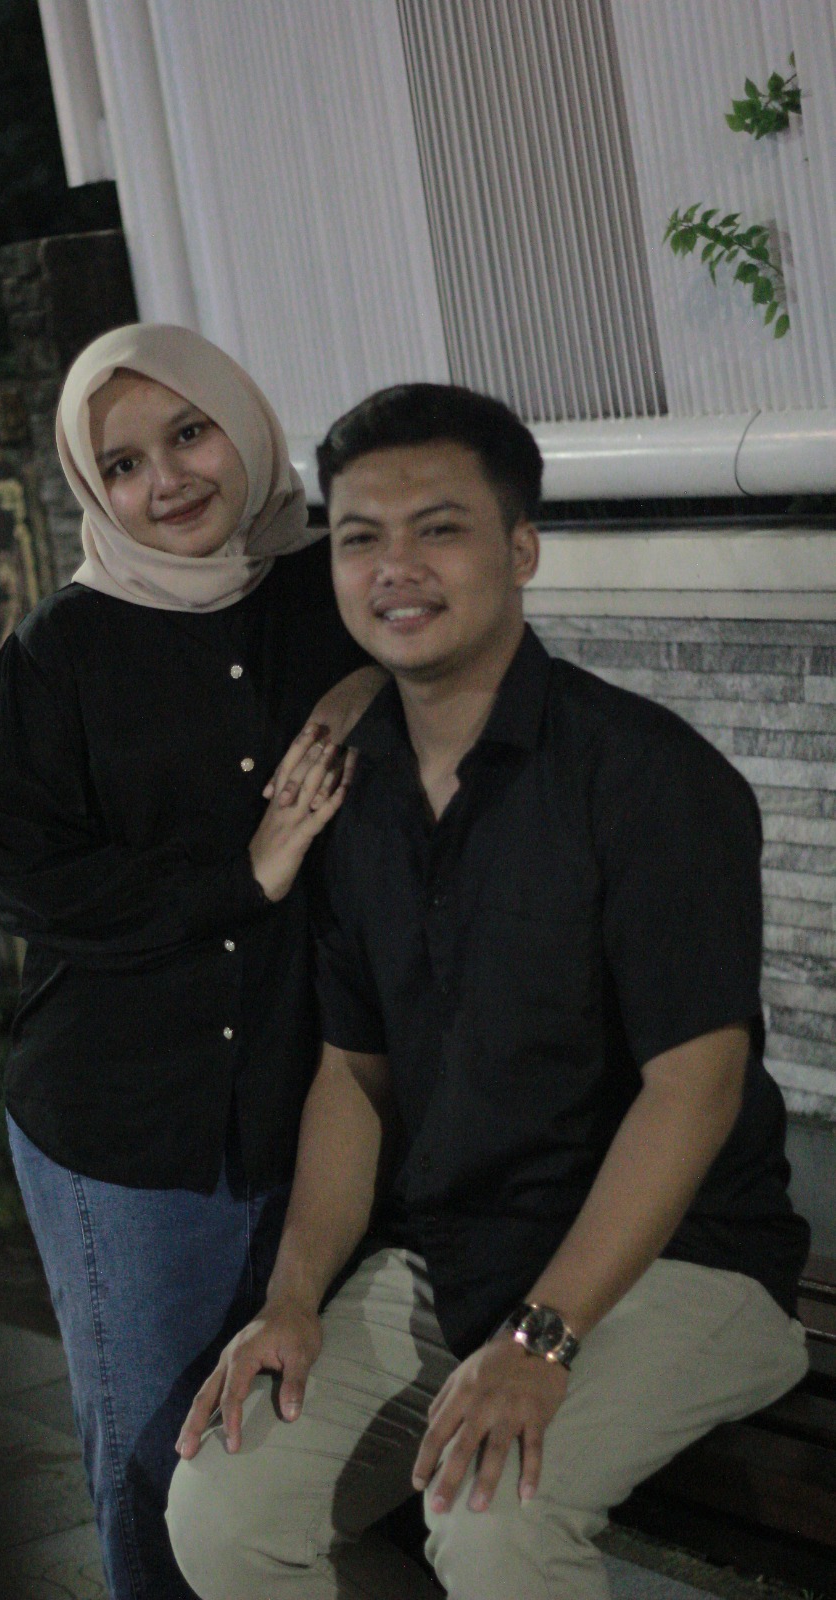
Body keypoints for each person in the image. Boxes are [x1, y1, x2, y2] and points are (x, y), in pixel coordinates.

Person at [167, 383, 811, 1600]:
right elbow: (352, 1074)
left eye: (439, 528)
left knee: (495, 1521)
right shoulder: (354, 792)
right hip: (453, 1250)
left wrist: (540, 1337)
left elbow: (694, 1088)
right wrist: (290, 1299)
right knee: (223, 1506)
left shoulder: (647, 780)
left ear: (521, 549)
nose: (394, 566)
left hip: (687, 1261)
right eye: (361, 536)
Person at [0, 324, 382, 1600]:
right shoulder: (58, 653)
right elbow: (29, 878)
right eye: (124, 462)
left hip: (326, 1104)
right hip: (130, 1130)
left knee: (312, 1462)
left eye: (189, 433)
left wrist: (367, 691)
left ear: (241, 423)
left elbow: (465, 664)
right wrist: (242, 874)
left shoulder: (338, 593)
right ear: (93, 488)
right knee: (158, 1454)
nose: (168, 479)